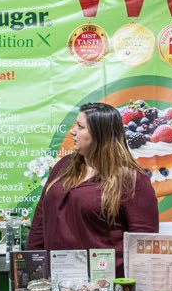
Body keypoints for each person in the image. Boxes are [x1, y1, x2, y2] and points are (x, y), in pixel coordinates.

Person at [26, 102, 159, 277]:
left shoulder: (132, 180)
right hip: (57, 282)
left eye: (80, 127)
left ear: (100, 134)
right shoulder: (63, 166)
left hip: (103, 286)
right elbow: (40, 218)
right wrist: (32, 269)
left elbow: (144, 243)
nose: (73, 131)